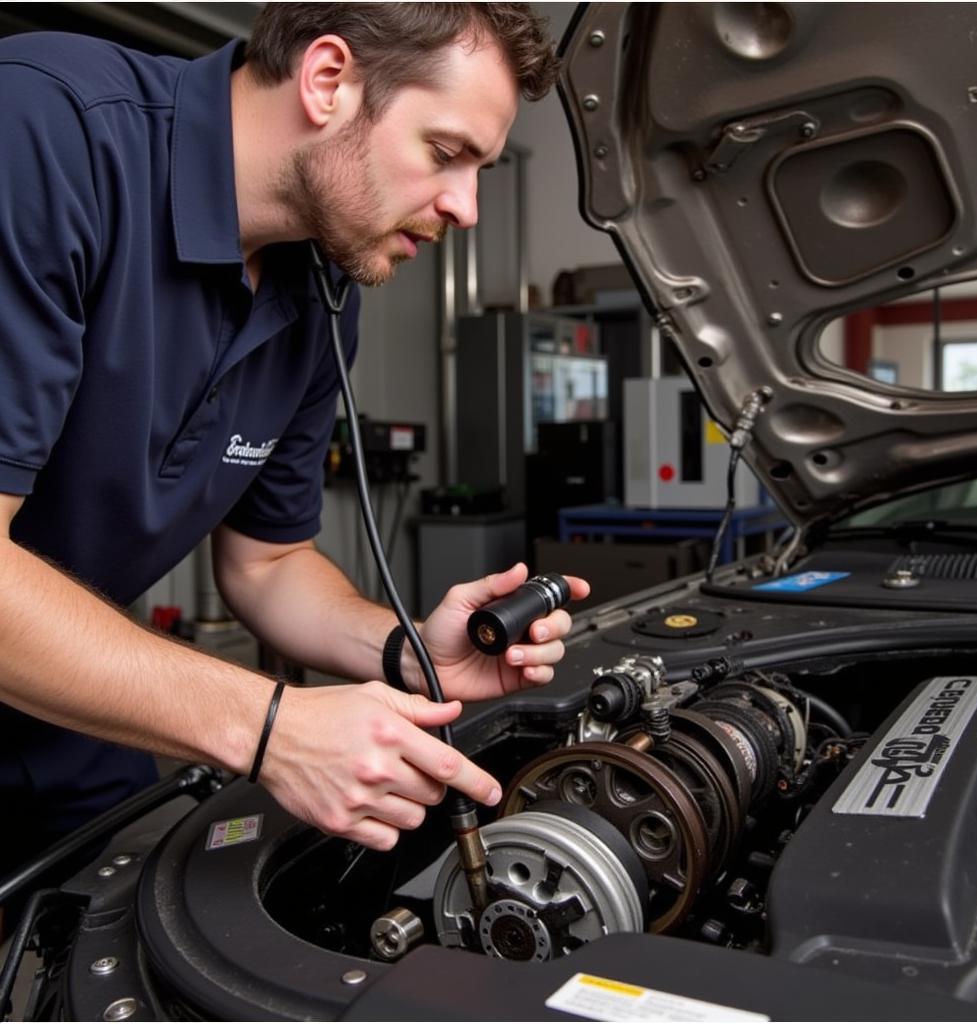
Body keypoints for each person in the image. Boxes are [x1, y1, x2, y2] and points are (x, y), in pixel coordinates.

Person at [0, 1, 585, 881]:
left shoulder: (320, 294)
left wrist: (412, 652)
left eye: (482, 170)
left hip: (61, 702)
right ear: (327, 81)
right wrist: (271, 725)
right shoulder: (46, 130)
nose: (466, 207)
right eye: (446, 153)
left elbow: (268, 567)